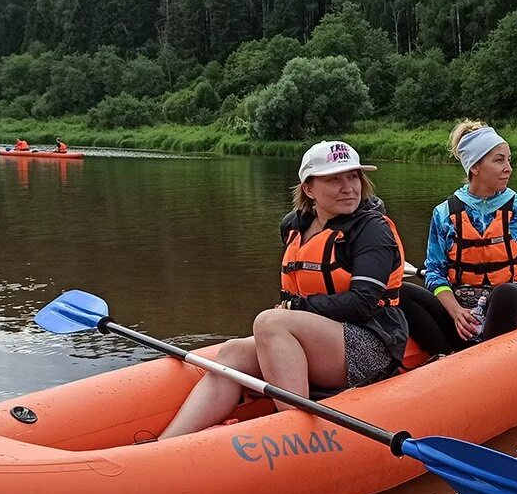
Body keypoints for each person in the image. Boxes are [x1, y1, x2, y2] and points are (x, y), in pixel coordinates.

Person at [160, 140, 407, 438]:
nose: (348, 187)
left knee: (269, 321)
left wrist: (295, 309)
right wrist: (294, 312)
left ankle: (297, 430)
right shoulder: (294, 226)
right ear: (309, 189)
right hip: (323, 341)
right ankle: (165, 443)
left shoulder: (372, 230)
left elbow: (363, 304)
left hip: (370, 344)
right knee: (232, 351)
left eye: (353, 176)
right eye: (334, 179)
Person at [414, 121, 517, 353]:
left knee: (505, 292)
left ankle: (483, 357)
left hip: (507, 303)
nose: (508, 168)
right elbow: (435, 273)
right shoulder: (444, 213)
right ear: (475, 167)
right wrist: (456, 311)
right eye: (499, 160)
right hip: (462, 305)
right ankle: (445, 356)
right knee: (407, 293)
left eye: (509, 160)